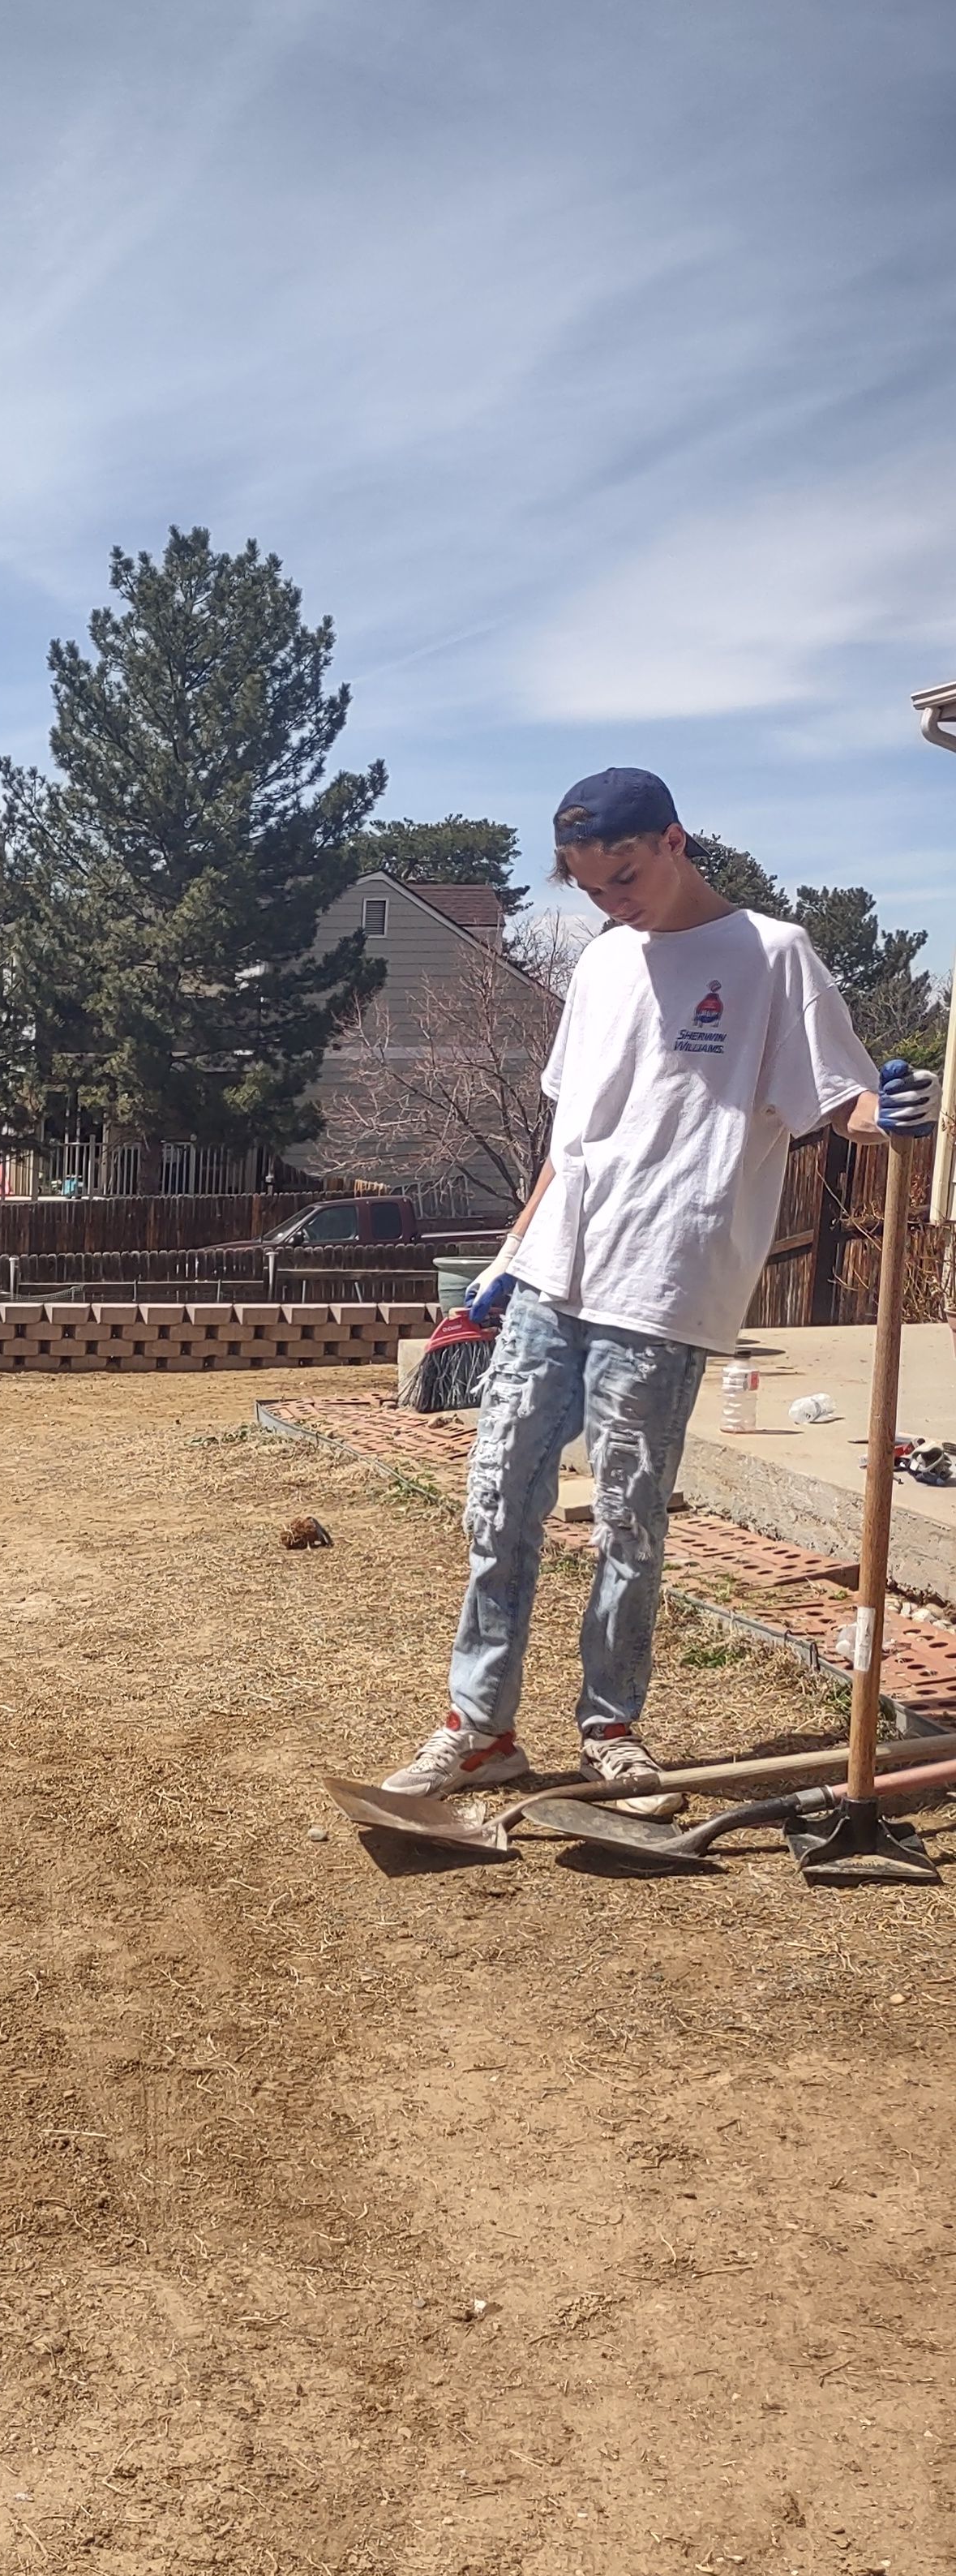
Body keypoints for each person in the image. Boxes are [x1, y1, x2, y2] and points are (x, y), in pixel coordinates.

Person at [382, 765, 939, 1807]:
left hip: (666, 1282)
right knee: (500, 1498)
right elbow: (570, 1135)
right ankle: (478, 1727)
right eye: (591, 888)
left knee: (629, 1520)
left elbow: (836, 1101)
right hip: (557, 1271)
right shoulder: (601, 964)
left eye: (625, 877)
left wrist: (891, 1110)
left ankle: (613, 1730)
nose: (613, 902)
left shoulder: (773, 956)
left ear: (676, 842)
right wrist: (507, 1262)